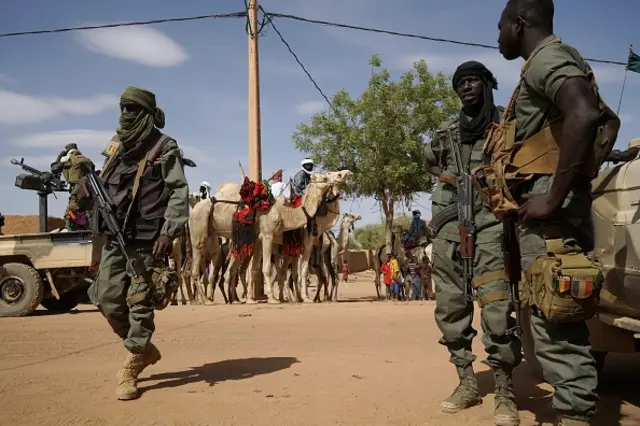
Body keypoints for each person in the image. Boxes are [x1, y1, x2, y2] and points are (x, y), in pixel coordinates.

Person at [495, 1, 620, 424]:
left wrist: (550, 198)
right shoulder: (551, 60)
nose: (498, 38)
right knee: (556, 317)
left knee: (557, 324)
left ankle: (574, 416)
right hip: (550, 213)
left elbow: (584, 114)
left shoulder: (547, 59)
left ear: (519, 23)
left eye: (500, 29)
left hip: (551, 216)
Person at [424, 60, 522, 425]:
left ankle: (505, 391)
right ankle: (467, 382)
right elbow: (430, 162)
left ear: (487, 84)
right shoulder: (446, 131)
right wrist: (451, 182)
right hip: (451, 226)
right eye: (461, 82)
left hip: (492, 223)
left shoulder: (504, 125)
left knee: (497, 306)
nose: (467, 87)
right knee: (450, 305)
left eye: (474, 81)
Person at [86, 86, 190, 401]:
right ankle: (144, 349)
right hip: (115, 236)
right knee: (105, 297)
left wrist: (168, 232)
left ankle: (131, 364)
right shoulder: (116, 146)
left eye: (132, 109)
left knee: (140, 302)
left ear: (145, 113)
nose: (126, 114)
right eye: (123, 108)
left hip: (148, 239)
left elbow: (178, 191)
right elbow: (105, 183)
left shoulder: (163, 146)